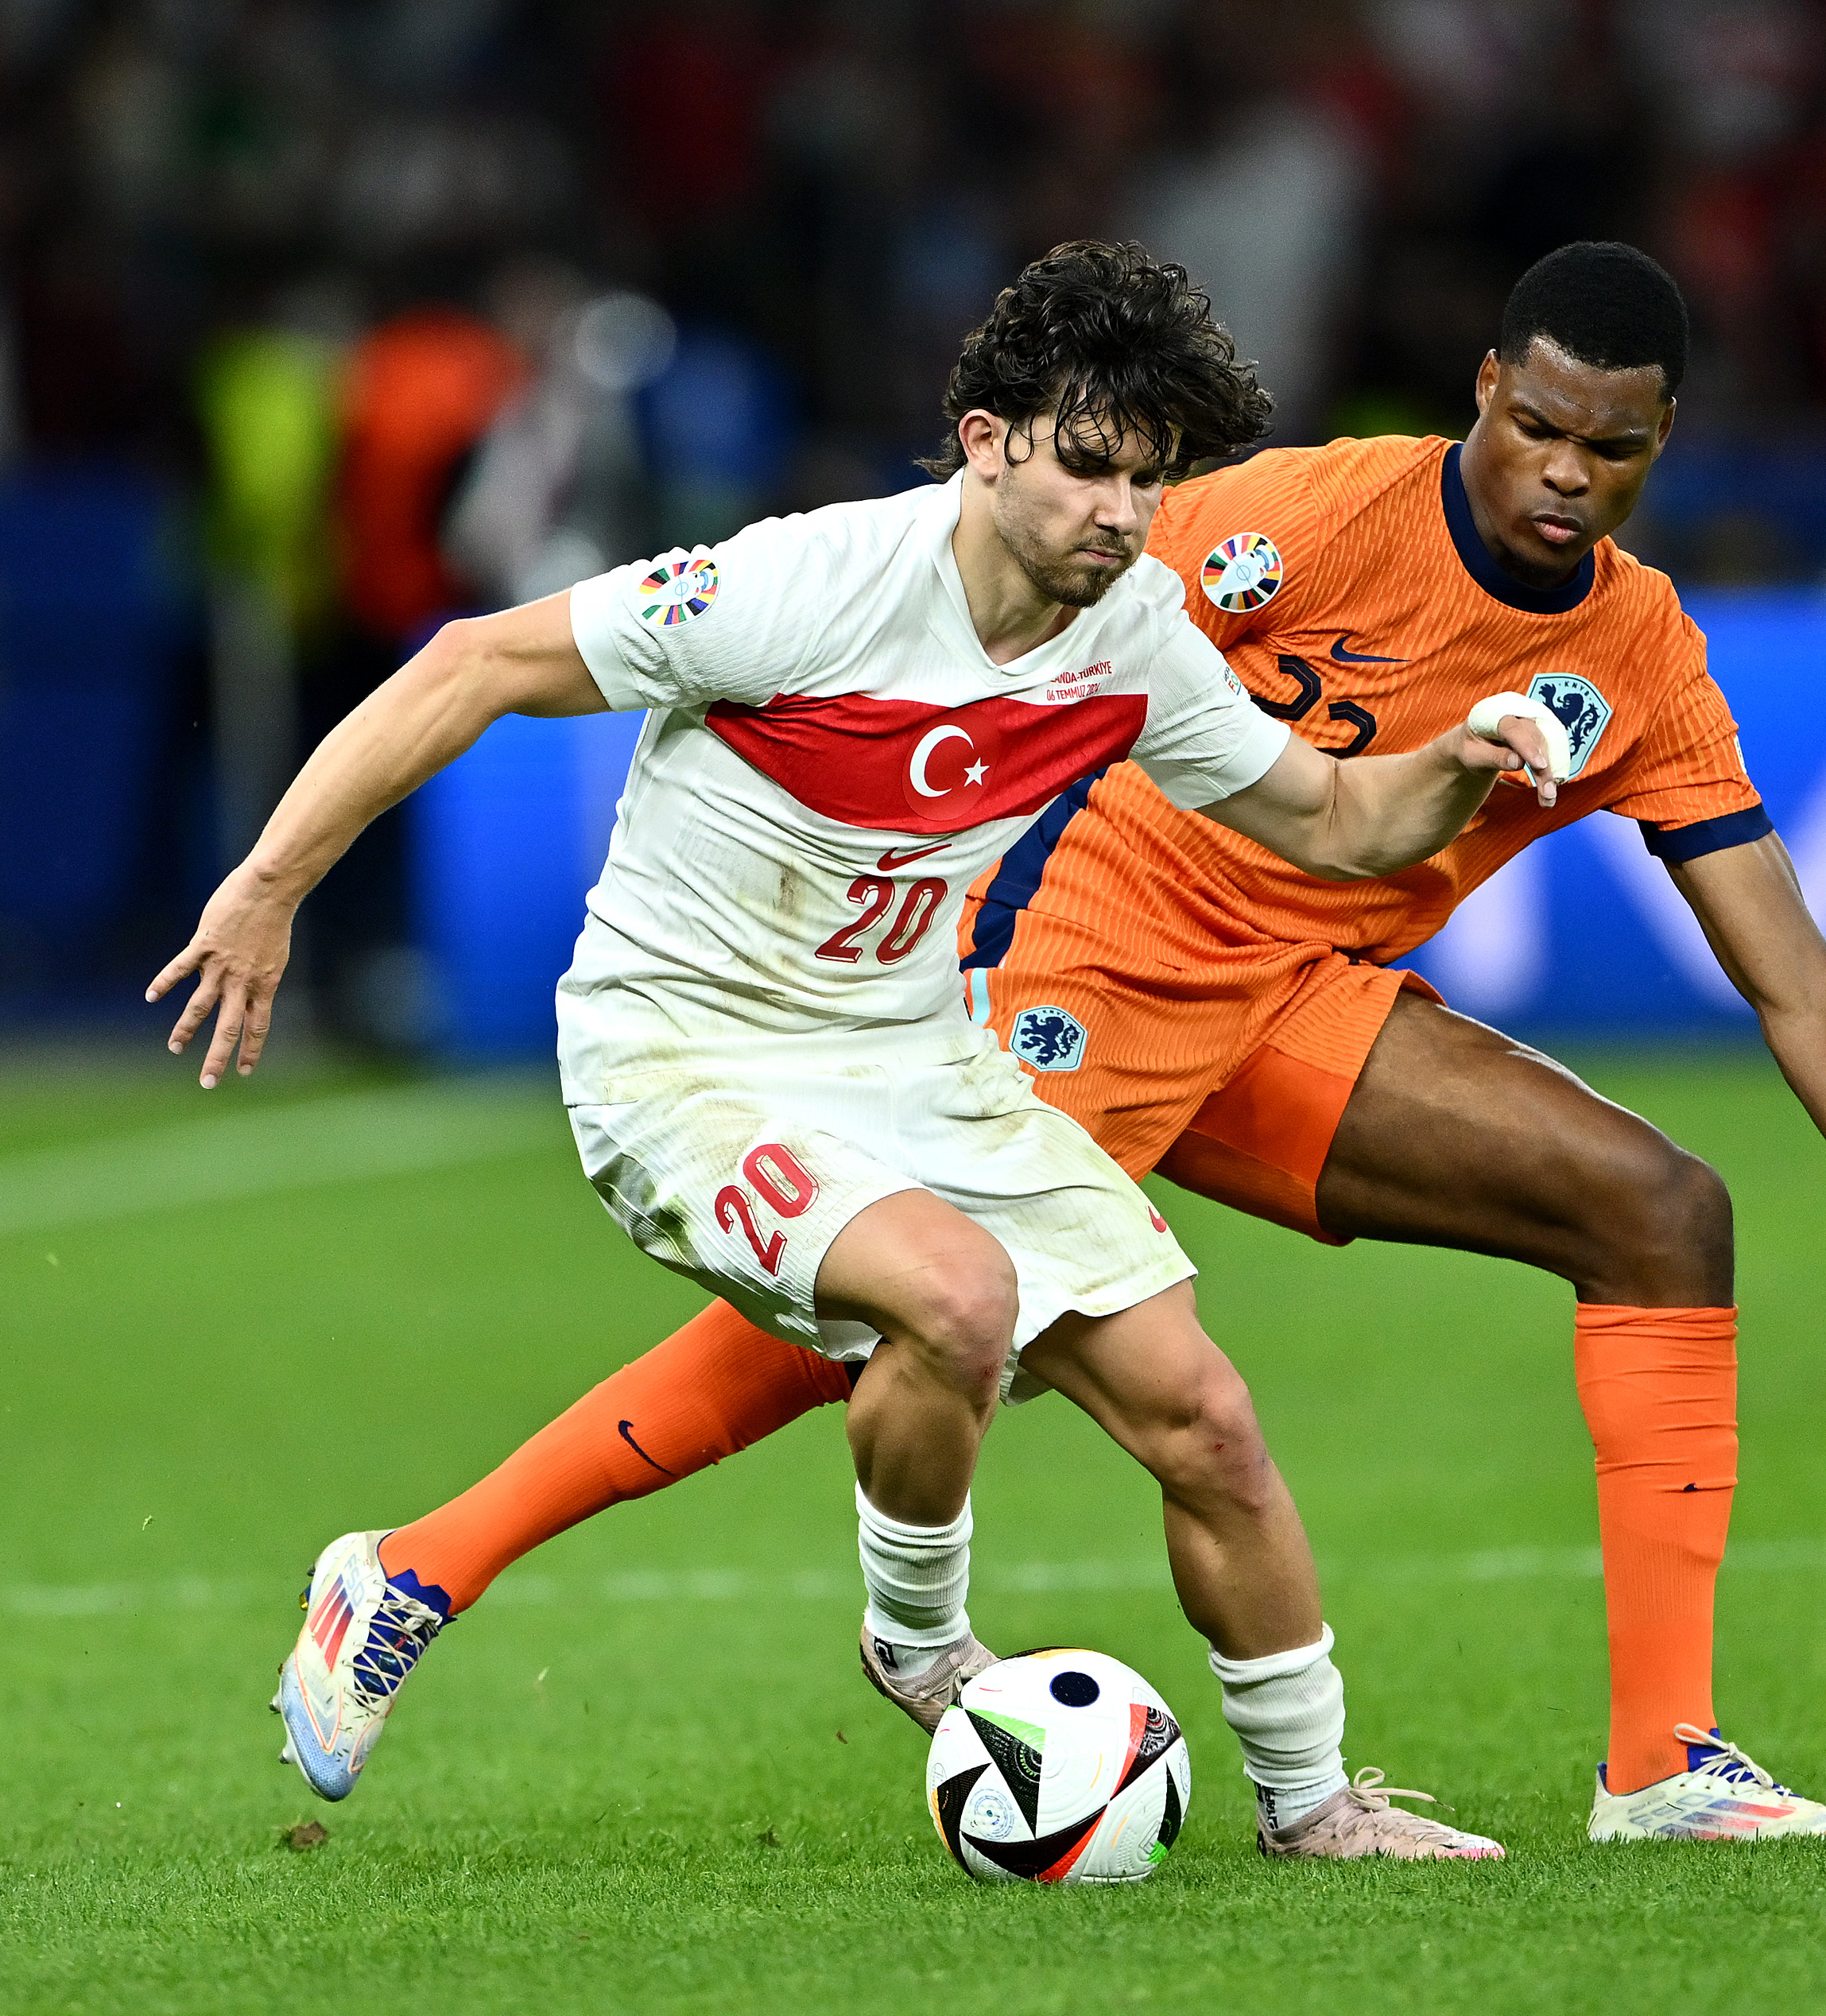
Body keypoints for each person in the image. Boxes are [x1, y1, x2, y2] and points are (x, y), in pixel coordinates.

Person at [328, 242, 1826, 1847]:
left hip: (1306, 1001)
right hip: (1093, 954)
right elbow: (1010, 605)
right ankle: (426, 1564)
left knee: (1658, 1208)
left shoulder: (1637, 648)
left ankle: (1662, 1762)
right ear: (1484, 393)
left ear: (1657, 444)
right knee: (905, 1312)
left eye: (1606, 450)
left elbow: (1794, 972)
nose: (1564, 469)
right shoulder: (1301, 513)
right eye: (1537, 426)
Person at [149, 242, 1557, 1863]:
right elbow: (472, 663)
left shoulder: (1137, 629)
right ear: (985, 440)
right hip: (684, 1054)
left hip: (915, 1055)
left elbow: (1327, 813)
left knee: (1205, 1418)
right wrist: (266, 887)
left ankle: (1313, 1805)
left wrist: (1457, 762)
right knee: (952, 1295)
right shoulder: (801, 584)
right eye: (1086, 463)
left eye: (1146, 478)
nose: (1118, 509)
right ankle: (921, 1644)